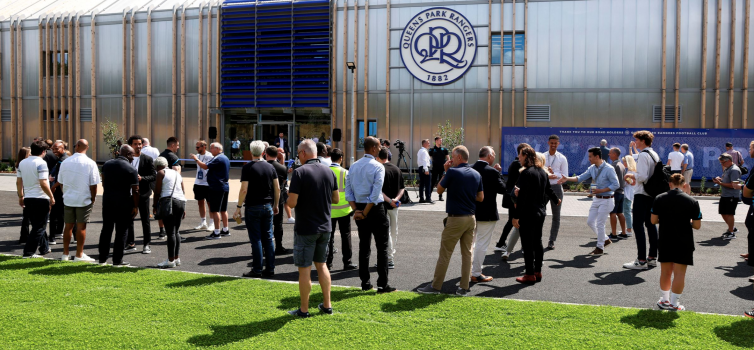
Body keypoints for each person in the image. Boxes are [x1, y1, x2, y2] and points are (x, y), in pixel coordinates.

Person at [418, 145, 483, 295]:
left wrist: (445, 173)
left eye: (453, 157)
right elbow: (480, 197)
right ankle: (464, 287)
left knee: (445, 253)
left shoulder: (452, 172)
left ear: (459, 157)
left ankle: (435, 286)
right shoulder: (476, 174)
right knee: (467, 253)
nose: (450, 159)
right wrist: (466, 195)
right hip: (471, 218)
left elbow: (439, 190)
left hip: (456, 219)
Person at [286, 139, 338, 317]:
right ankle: (327, 305)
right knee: (322, 265)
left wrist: (288, 196)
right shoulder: (329, 171)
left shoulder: (300, 172)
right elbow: (336, 199)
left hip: (306, 227)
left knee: (305, 269)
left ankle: (304, 309)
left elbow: (291, 203)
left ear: (302, 153)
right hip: (325, 226)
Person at [346, 136, 395, 293]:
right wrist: (364, 212)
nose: (380, 149)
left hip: (360, 208)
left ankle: (365, 282)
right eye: (379, 146)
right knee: (382, 247)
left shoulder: (353, 166)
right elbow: (375, 194)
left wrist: (357, 211)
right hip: (374, 209)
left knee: (364, 246)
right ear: (373, 148)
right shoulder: (378, 166)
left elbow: (348, 192)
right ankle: (382, 284)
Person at [653, 174, 702, 311]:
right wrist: (687, 222)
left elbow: (653, 221)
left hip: (665, 239)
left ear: (670, 184)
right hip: (684, 240)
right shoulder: (692, 201)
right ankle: (674, 304)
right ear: (684, 184)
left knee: (665, 272)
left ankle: (664, 300)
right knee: (680, 274)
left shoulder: (659, 198)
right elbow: (697, 226)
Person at [511, 149, 561, 284]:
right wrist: (556, 200)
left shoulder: (526, 173)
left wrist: (516, 216)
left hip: (527, 213)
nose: (518, 158)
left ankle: (529, 274)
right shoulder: (542, 172)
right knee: (537, 242)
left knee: (527, 244)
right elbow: (548, 190)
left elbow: (522, 197)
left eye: (520, 155)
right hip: (540, 212)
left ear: (526, 156)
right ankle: (537, 271)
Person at [559, 147, 620, 255]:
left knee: (600, 224)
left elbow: (616, 185)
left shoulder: (609, 168)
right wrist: (566, 178)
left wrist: (602, 190)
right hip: (597, 199)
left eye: (590, 156)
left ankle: (600, 248)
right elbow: (580, 178)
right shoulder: (592, 168)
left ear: (597, 156)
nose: (589, 159)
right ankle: (605, 239)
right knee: (590, 221)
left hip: (607, 200)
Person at [235, 141, 280, 278]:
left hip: (253, 206)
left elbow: (244, 190)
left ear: (250, 151)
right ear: (263, 152)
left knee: (256, 239)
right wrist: (276, 204)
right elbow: (277, 188)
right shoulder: (270, 167)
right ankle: (270, 268)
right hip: (267, 206)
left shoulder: (247, 168)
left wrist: (238, 207)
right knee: (268, 238)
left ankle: (257, 269)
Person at [57, 139, 100, 262]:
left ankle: (65, 254)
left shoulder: (65, 162)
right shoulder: (90, 163)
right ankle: (79, 254)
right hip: (83, 198)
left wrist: (65, 193)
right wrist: (93, 198)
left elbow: (61, 182)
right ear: (87, 147)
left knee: (68, 226)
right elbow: (94, 184)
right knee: (81, 227)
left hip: (69, 198)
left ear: (76, 147)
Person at [623, 131, 660, 270]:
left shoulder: (644, 155)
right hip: (652, 194)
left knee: (638, 226)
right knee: (651, 225)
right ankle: (651, 258)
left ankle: (641, 260)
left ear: (643, 141)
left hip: (642, 193)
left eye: (637, 140)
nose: (635, 142)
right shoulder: (653, 154)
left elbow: (643, 176)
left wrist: (631, 175)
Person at [98, 145, 139, 267]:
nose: (133, 157)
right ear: (127, 154)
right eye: (132, 155)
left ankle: (102, 259)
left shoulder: (107, 164)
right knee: (121, 232)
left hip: (108, 201)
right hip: (124, 202)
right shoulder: (131, 168)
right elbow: (136, 190)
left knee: (106, 229)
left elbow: (104, 181)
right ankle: (117, 260)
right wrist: (135, 206)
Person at [470, 146, 505, 283]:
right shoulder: (492, 172)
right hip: (487, 212)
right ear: (489, 156)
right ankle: (476, 272)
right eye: (494, 154)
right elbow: (503, 189)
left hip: (470, 211)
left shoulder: (469, 168)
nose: (494, 157)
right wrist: (499, 173)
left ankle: (469, 270)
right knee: (482, 244)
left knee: (470, 244)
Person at [17, 140, 55, 258]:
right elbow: (44, 183)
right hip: (40, 198)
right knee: (39, 226)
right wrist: (51, 196)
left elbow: (19, 182)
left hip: (28, 197)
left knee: (36, 225)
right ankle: (28, 252)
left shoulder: (22, 162)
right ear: (43, 152)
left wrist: (21, 196)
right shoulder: (42, 163)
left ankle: (44, 248)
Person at [152, 156, 187, 268]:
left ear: (157, 166)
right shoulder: (176, 173)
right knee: (176, 231)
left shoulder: (161, 173)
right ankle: (176, 258)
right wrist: (184, 208)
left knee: (170, 232)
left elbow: (157, 192)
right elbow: (182, 190)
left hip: (169, 201)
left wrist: (154, 205)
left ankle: (170, 260)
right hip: (181, 202)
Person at [126, 135, 157, 254]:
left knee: (145, 220)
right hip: (128, 194)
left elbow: (153, 176)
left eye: (140, 144)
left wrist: (142, 178)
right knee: (129, 219)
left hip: (143, 194)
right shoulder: (126, 158)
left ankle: (146, 244)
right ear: (130, 146)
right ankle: (131, 243)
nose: (138, 146)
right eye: (136, 144)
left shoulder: (147, 159)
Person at [327, 148, 356, 270]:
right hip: (344, 210)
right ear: (341, 158)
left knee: (329, 237)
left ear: (330, 158)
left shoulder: (326, 171)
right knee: (346, 236)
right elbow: (351, 190)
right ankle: (347, 262)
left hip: (329, 210)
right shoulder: (345, 172)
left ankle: (328, 263)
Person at [495, 143, 527, 254]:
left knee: (512, 221)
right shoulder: (519, 164)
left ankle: (501, 243)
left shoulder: (514, 163)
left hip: (510, 196)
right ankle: (522, 247)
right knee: (518, 221)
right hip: (514, 197)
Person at [195, 142, 230, 240]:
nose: (210, 150)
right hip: (224, 186)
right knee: (223, 209)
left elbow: (205, 166)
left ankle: (217, 232)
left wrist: (196, 159)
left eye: (212, 148)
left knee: (215, 210)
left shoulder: (218, 158)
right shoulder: (225, 157)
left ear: (218, 149)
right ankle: (225, 229)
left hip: (217, 186)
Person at [377, 146, 405, 270]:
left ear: (378, 157)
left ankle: (387, 258)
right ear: (388, 156)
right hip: (395, 205)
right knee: (394, 231)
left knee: (385, 232)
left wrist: (389, 200)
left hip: (382, 205)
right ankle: (391, 256)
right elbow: (402, 188)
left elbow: (378, 190)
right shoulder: (397, 169)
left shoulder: (379, 169)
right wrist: (396, 199)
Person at [544, 135, 568, 250]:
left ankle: (552, 240)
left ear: (558, 144)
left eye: (555, 143)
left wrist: (555, 175)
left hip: (557, 187)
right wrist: (547, 174)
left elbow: (565, 176)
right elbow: (538, 171)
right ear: (548, 143)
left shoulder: (562, 158)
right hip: (544, 187)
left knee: (556, 216)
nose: (553, 145)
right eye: (551, 143)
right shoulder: (543, 156)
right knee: (539, 214)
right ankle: (535, 238)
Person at [266, 146, 290, 255]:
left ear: (266, 154)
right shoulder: (282, 168)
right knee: (278, 223)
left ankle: (264, 247)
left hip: (265, 197)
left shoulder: (262, 166)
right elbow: (284, 182)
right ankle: (279, 246)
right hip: (278, 197)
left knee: (265, 224)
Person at [158, 137, 182, 239]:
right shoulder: (173, 157)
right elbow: (176, 172)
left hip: (161, 186)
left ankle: (161, 231)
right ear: (172, 145)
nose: (178, 147)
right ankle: (174, 234)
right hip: (171, 189)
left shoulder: (161, 155)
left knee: (162, 210)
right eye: (177, 145)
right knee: (173, 212)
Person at [715, 153, 741, 240]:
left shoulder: (734, 170)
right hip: (725, 195)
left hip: (731, 195)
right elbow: (727, 180)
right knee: (723, 212)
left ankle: (731, 233)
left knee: (729, 214)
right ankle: (732, 228)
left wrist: (720, 183)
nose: (722, 164)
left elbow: (734, 185)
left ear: (729, 161)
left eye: (723, 162)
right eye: (721, 163)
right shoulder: (728, 168)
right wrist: (720, 180)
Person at [190, 140, 215, 231]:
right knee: (200, 202)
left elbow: (205, 166)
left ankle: (212, 223)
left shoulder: (210, 156)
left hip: (208, 183)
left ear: (204, 146)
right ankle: (203, 222)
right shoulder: (198, 156)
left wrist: (196, 159)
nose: (196, 149)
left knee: (210, 203)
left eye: (198, 147)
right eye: (196, 147)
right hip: (198, 182)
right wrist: (196, 158)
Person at [48, 141, 67, 245]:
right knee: (63, 213)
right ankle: (59, 232)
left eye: (57, 149)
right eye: (53, 149)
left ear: (62, 148)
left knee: (54, 214)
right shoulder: (63, 159)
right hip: (64, 191)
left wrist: (52, 188)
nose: (54, 151)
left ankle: (52, 237)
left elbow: (61, 179)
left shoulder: (62, 161)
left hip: (60, 191)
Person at [608, 148, 627, 240]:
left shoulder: (614, 165)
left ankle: (614, 234)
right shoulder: (622, 165)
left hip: (615, 192)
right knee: (620, 213)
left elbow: (610, 180)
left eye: (610, 153)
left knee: (613, 213)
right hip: (621, 192)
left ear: (615, 154)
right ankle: (624, 232)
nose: (609, 154)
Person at [16, 147, 31, 244]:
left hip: (23, 189)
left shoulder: (20, 164)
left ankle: (24, 237)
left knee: (26, 215)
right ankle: (24, 237)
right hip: (26, 189)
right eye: (29, 153)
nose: (31, 155)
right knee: (27, 216)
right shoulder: (24, 164)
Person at [429, 137, 450, 201]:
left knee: (441, 182)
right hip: (435, 168)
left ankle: (440, 196)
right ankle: (429, 196)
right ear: (436, 141)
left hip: (442, 168)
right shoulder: (432, 149)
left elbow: (448, 158)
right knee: (433, 182)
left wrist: (447, 164)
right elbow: (429, 158)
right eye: (440, 140)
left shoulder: (444, 149)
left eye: (441, 140)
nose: (441, 141)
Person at [621, 155, 637, 238]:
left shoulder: (630, 172)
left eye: (624, 161)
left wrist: (625, 179)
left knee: (627, 211)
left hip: (628, 193)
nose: (623, 163)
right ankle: (628, 229)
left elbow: (632, 183)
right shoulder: (631, 171)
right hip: (629, 192)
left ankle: (629, 230)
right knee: (627, 211)